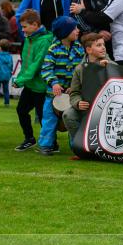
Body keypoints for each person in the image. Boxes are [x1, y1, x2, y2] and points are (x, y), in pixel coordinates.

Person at [37, 16, 84, 155]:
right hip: (53, 95)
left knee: (73, 120)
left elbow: (81, 69)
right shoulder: (53, 49)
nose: (78, 30)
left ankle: (76, 146)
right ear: (65, 32)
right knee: (49, 120)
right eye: (74, 28)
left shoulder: (79, 48)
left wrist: (74, 86)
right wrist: (54, 83)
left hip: (72, 95)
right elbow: (46, 69)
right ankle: (45, 145)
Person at [12, 10, 52, 151]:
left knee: (43, 117)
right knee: (21, 110)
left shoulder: (45, 40)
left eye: (24, 27)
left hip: (41, 87)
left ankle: (51, 144)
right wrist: (21, 78)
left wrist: (20, 80)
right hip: (30, 85)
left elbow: (37, 64)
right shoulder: (29, 38)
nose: (22, 30)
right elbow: (26, 64)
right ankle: (29, 138)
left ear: (35, 24)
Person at [64, 33, 111, 143]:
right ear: (89, 50)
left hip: (107, 107)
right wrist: (78, 103)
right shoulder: (79, 69)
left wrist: (106, 69)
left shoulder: (112, 65)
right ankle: (79, 144)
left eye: (103, 45)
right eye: (98, 45)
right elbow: (74, 92)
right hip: (87, 106)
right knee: (68, 115)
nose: (103, 47)